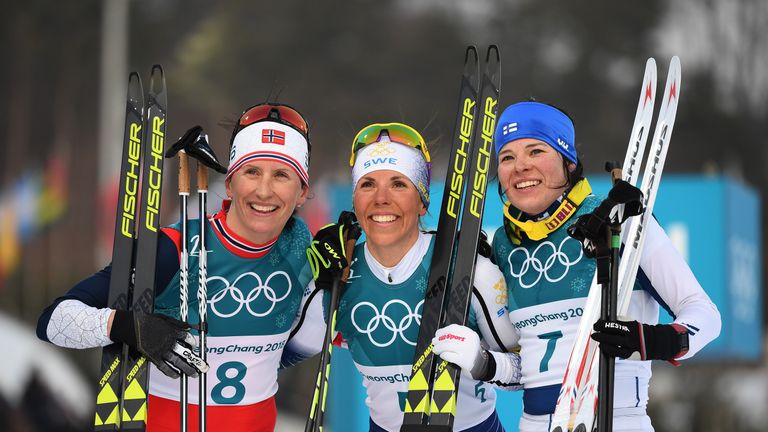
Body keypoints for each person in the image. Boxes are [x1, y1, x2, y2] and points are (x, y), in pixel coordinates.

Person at [431, 101, 722, 432]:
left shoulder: (617, 218)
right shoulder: (500, 246)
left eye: (536, 151)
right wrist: (482, 363)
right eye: (507, 157)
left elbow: (706, 316)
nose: (520, 167)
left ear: (568, 162)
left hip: (618, 419)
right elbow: (521, 374)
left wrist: (650, 341)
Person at [37, 102, 317, 431]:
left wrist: (269, 364)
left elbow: (311, 337)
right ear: (230, 183)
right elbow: (52, 322)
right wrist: (129, 326)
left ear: (302, 192)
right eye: (251, 171)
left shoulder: (304, 253)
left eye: (281, 175)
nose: (264, 190)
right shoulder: (175, 250)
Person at [287, 122, 521, 432]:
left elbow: (524, 373)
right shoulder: (336, 278)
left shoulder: (470, 271)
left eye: (399, 183)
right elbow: (270, 355)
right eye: (367, 184)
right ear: (355, 201)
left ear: (422, 201)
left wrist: (484, 363)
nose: (381, 198)